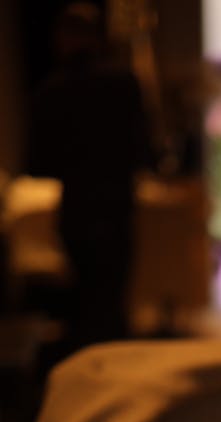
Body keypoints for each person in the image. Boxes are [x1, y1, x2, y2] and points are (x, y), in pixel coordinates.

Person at [27, 3, 153, 350]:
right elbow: (142, 150)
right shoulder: (124, 84)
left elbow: (38, 164)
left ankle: (89, 378)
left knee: (85, 304)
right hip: (116, 207)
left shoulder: (51, 91)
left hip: (78, 211)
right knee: (111, 301)